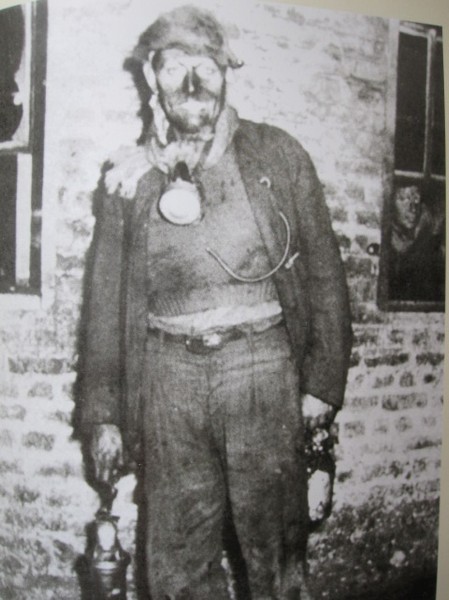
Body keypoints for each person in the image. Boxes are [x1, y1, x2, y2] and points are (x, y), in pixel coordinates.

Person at [76, 6, 352, 599]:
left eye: (205, 66)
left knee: (275, 551)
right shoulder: (130, 180)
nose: (192, 83)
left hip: (259, 368)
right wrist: (103, 412)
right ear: (152, 79)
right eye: (176, 68)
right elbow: (102, 306)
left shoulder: (277, 155)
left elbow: (327, 274)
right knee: (176, 560)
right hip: (168, 376)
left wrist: (322, 387)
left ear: (227, 73)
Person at [389, 184, 445, 302]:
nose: (412, 208)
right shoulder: (386, 237)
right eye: (403, 199)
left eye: (416, 199)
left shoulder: (427, 232)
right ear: (391, 204)